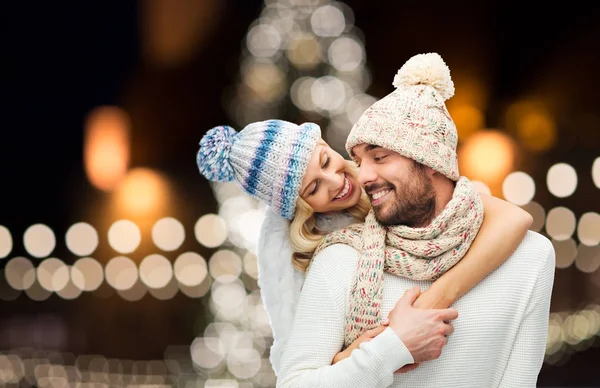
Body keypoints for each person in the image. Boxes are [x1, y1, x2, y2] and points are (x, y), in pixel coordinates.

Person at [275, 52, 556, 387]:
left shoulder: (530, 257)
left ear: (430, 160)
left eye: (379, 157)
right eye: (359, 161)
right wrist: (392, 349)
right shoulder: (340, 259)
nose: (362, 176)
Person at [196, 101, 531, 374]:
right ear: (300, 207)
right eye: (314, 187)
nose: (335, 181)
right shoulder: (324, 256)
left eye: (326, 161)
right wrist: (372, 350)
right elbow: (305, 368)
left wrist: (432, 303)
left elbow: (514, 218)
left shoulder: (386, 183)